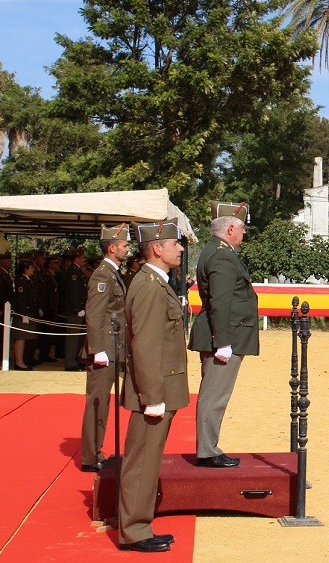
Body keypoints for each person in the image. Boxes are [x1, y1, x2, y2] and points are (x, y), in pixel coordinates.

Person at [118, 218, 188, 553]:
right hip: (153, 391)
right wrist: (152, 396)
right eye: (176, 243)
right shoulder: (148, 285)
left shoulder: (155, 281)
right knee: (142, 461)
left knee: (148, 459)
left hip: (159, 388)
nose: (181, 247)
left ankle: (140, 523)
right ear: (157, 248)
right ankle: (134, 530)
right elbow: (144, 345)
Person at [188, 201, 259, 469]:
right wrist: (224, 342)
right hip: (223, 336)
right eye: (242, 229)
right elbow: (220, 301)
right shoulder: (221, 255)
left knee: (214, 393)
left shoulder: (217, 251)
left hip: (221, 334)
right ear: (230, 228)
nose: (243, 234)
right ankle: (207, 450)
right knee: (214, 394)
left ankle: (209, 447)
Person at [80, 224, 131, 473]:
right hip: (104, 350)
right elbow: (95, 314)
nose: (128, 249)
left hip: (113, 347)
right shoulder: (103, 275)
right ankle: (90, 456)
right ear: (112, 248)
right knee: (97, 403)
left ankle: (96, 449)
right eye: (124, 245)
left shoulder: (113, 273)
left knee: (103, 403)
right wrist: (97, 349)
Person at [60, 249, 88, 371]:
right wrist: (78, 308)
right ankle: (70, 362)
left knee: (78, 337)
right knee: (73, 338)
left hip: (79, 309)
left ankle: (74, 360)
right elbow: (73, 293)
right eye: (82, 258)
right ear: (77, 258)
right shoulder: (73, 273)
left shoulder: (77, 271)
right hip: (74, 311)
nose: (84, 260)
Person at [10, 258, 39, 371]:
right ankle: (19, 362)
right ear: (25, 269)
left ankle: (21, 361)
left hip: (27, 313)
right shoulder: (21, 280)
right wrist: (24, 314)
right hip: (22, 315)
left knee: (24, 338)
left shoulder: (26, 280)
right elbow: (21, 299)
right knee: (20, 338)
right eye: (31, 268)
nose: (33, 270)